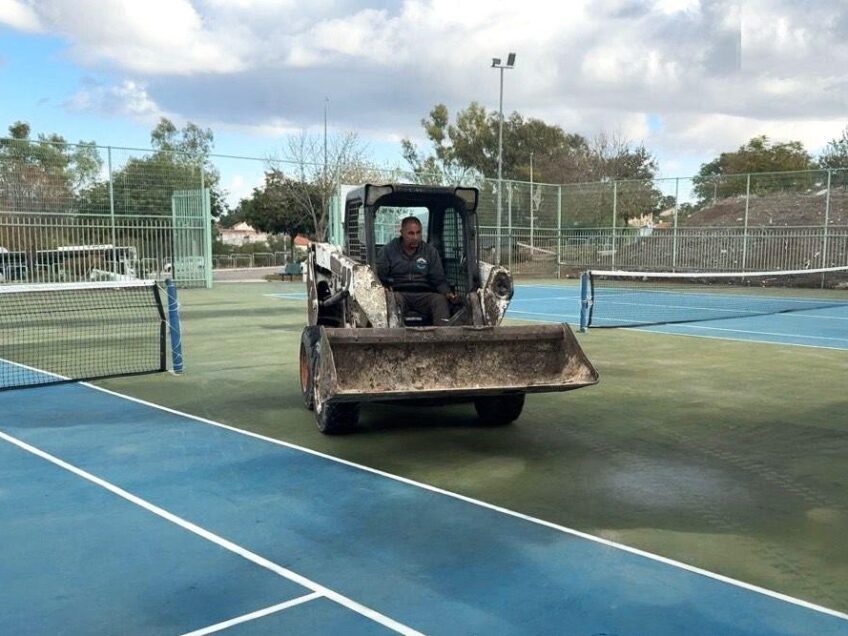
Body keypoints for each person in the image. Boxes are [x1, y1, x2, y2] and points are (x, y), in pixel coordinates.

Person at [376, 216, 456, 324]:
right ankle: (393, 336)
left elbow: (438, 279)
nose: (415, 237)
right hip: (399, 293)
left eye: (418, 233)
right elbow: (380, 277)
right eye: (411, 233)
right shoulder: (387, 251)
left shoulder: (430, 252)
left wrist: (447, 293)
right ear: (402, 233)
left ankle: (443, 337)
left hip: (424, 294)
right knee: (392, 300)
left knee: (440, 300)